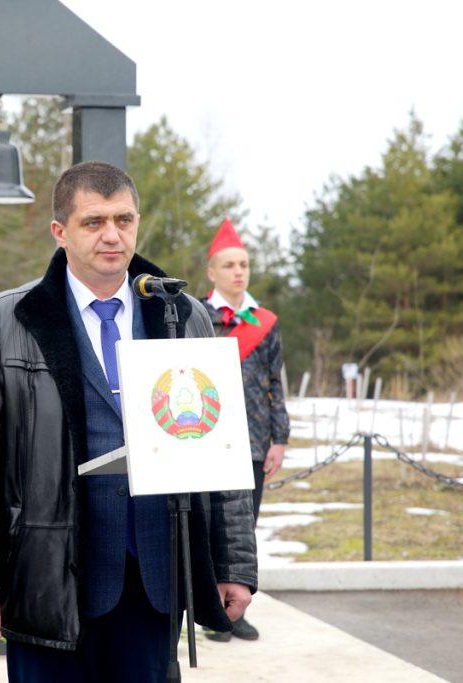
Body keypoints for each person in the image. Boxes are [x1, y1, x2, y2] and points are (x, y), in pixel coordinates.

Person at [0, 162, 257, 683]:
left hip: (154, 577)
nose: (112, 235)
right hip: (48, 575)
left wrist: (234, 567)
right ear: (60, 232)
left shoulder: (182, 317)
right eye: (93, 222)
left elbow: (220, 451)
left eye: (124, 219)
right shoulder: (7, 321)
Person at [200, 218, 290, 642]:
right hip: (204, 439)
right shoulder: (197, 314)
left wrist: (280, 438)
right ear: (212, 272)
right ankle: (210, 607)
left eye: (244, 264)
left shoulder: (266, 322)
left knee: (243, 526)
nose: (239, 272)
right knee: (207, 524)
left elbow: (277, 382)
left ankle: (236, 610)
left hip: (253, 441)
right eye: (230, 264)